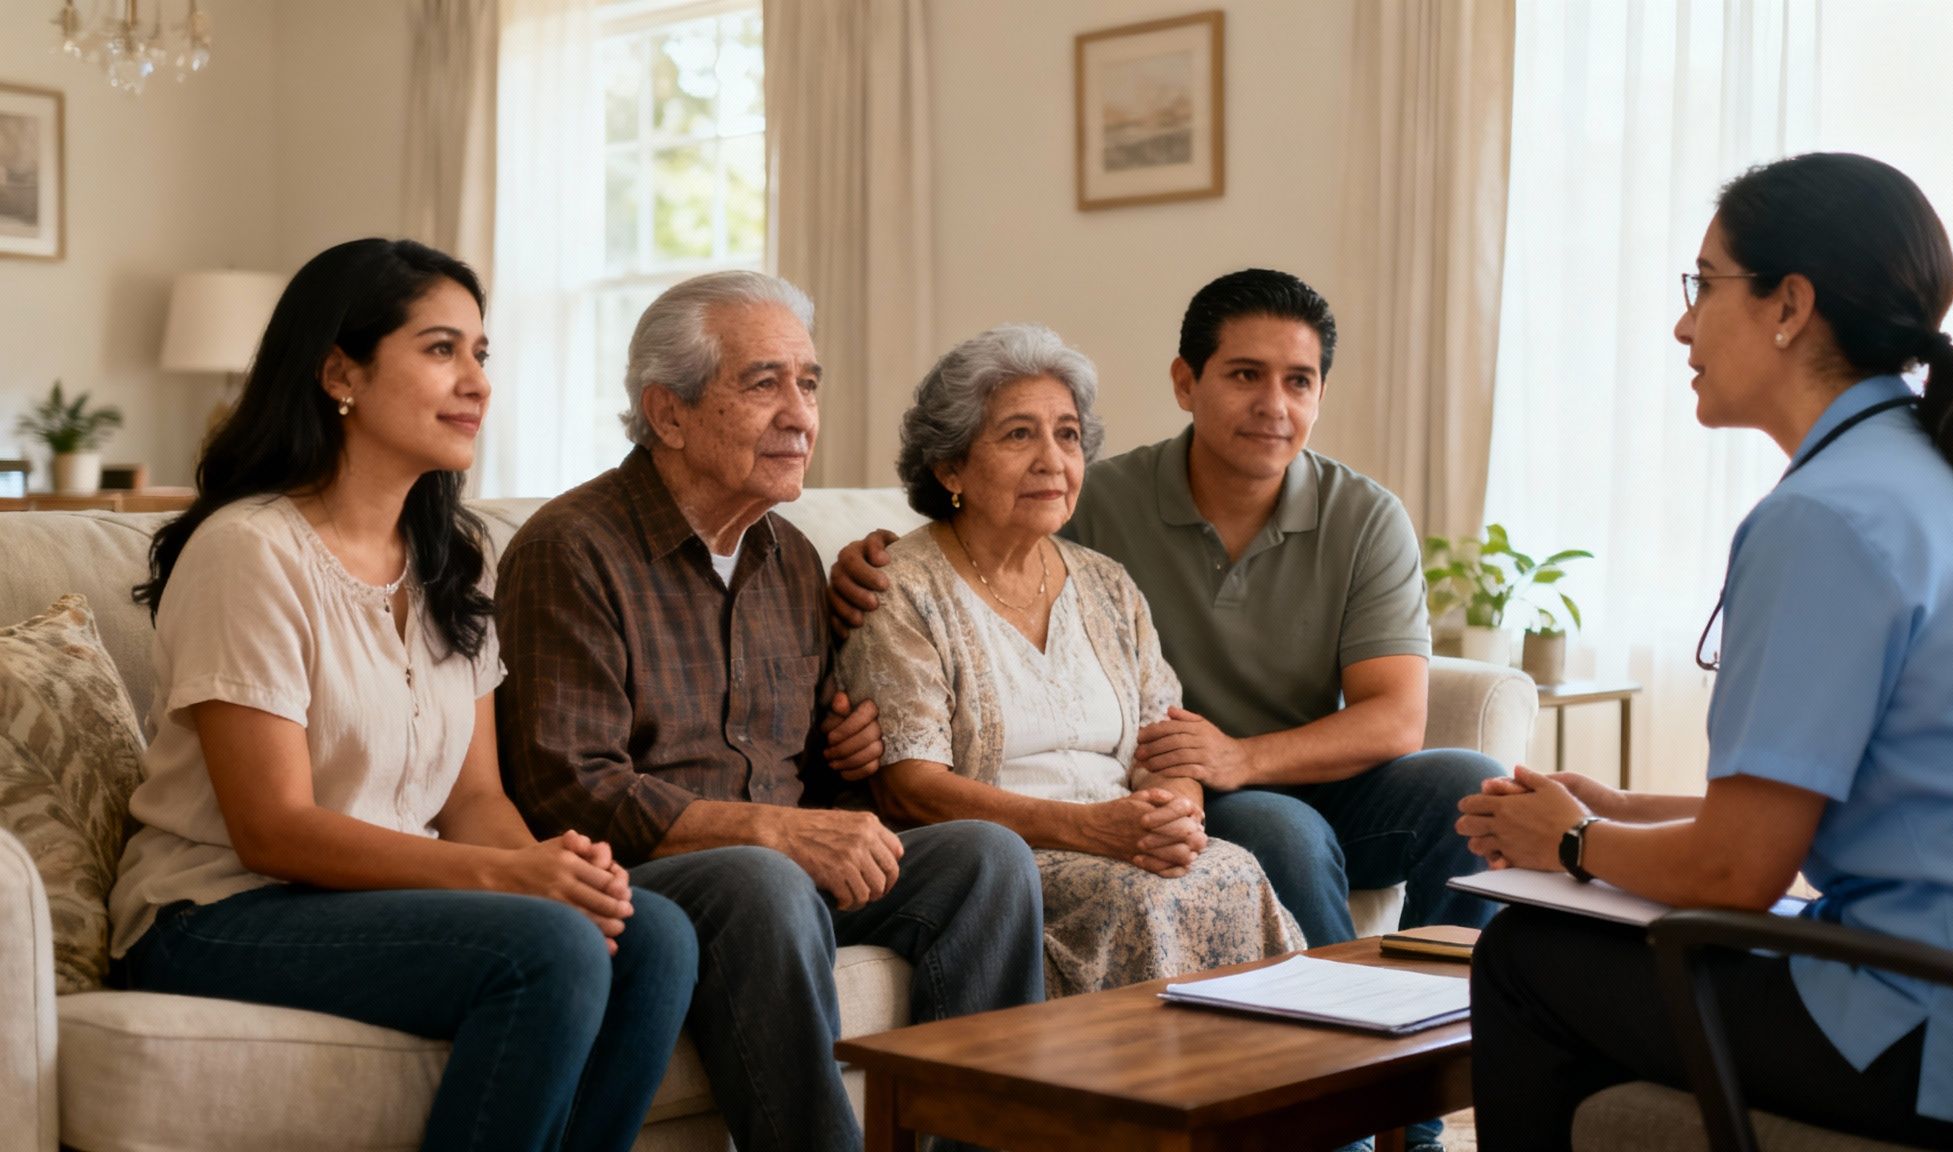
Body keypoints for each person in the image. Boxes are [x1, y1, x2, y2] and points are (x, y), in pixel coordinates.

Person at [1455, 153, 1953, 1151]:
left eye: (1703, 285)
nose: (1683, 325)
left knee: (1525, 955)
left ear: (1789, 305)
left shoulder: (1822, 517)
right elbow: (1897, 794)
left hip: (1934, 1028)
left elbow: (1738, 876)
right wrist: (1624, 810)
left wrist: (1564, 843)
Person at [109, 239, 697, 1152]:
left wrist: (559, 872)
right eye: (440, 349)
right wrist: (512, 881)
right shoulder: (249, 551)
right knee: (550, 947)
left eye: (481, 353)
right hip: (220, 912)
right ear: (340, 370)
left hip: (366, 901)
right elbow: (272, 828)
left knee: (651, 931)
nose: (477, 382)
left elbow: (473, 801)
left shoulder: (451, 563)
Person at [494, 270, 1045, 1152]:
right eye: (764, 383)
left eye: (810, 382)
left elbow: (805, 779)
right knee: (762, 873)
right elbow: (567, 788)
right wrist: (775, 834)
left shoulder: (789, 556)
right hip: (650, 883)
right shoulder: (571, 550)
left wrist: (846, 758)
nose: (800, 413)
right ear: (667, 413)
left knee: (986, 859)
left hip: (782, 876)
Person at [836, 324, 1305, 998]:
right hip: (1008, 863)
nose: (1052, 461)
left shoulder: (1107, 583)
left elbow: (1165, 746)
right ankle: (1131, 1101)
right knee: (1137, 899)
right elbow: (911, 787)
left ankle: (1260, 1101)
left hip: (1121, 835)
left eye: (1067, 435)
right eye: (1018, 435)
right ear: (950, 467)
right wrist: (1092, 831)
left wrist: (1170, 818)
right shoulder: (900, 587)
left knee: (1232, 870)